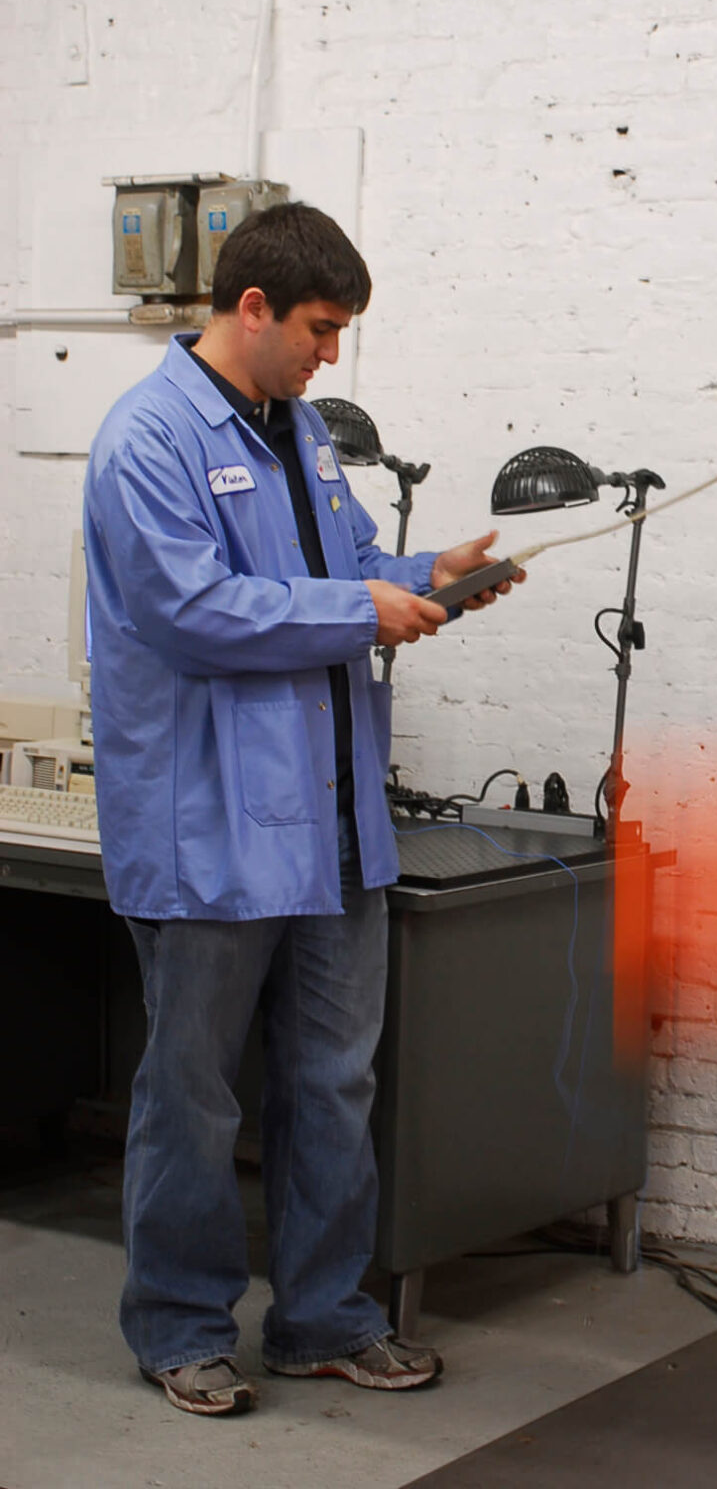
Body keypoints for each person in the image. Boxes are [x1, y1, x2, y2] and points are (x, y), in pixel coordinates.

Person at [83, 201, 518, 1417]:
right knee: (194, 1094)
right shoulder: (149, 439)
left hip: (331, 826)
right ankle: (180, 1328)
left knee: (333, 1083)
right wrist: (357, 612)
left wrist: (423, 578)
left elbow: (334, 573)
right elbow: (195, 612)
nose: (333, 355)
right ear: (254, 306)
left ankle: (325, 1317)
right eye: (322, 330)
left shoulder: (304, 431)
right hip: (210, 825)